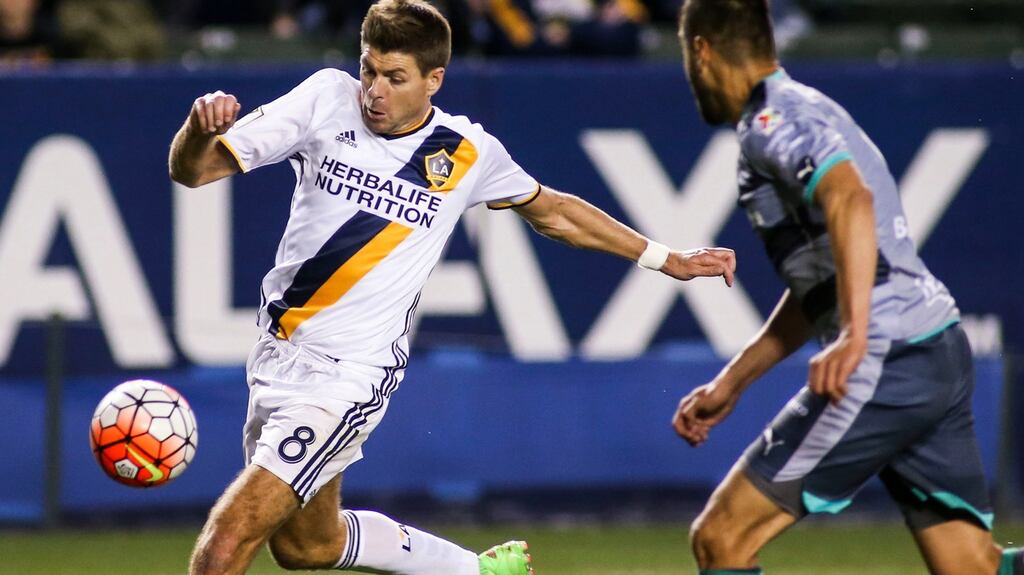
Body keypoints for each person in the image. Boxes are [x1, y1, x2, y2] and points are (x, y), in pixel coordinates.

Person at [169, 1, 736, 574]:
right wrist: (197, 131)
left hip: (347, 375)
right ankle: (477, 573)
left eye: (395, 78)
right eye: (369, 70)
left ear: (433, 79)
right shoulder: (325, 98)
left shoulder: (466, 153)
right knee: (306, 549)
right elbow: (194, 170)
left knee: (224, 545)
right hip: (274, 355)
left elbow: (555, 213)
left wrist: (666, 258)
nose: (374, 92)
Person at [671, 1, 1022, 574]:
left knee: (721, 539)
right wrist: (734, 380)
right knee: (971, 567)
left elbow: (850, 197)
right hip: (934, 345)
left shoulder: (771, 123)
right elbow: (824, 281)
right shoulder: (809, 108)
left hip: (886, 356)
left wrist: (857, 336)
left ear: (702, 51)